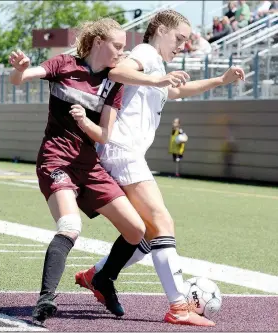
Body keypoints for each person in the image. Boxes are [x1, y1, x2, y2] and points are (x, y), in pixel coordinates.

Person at [74, 9, 245, 327]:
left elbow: (177, 90)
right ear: (161, 31)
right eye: (179, 38)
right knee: (162, 222)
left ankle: (97, 275)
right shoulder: (146, 53)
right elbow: (118, 71)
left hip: (122, 153)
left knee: (148, 234)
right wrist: (157, 77)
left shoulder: (155, 63)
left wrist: (221, 80)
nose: (182, 45)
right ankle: (178, 306)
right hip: (121, 152)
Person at [8, 18, 147, 324]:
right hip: (56, 160)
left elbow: (104, 135)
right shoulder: (63, 64)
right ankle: (45, 300)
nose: (122, 53)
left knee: (136, 230)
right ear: (98, 42)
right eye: (118, 46)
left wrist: (85, 121)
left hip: (89, 166)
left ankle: (103, 279)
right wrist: (20, 69)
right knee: (70, 226)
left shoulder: (115, 82)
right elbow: (20, 79)